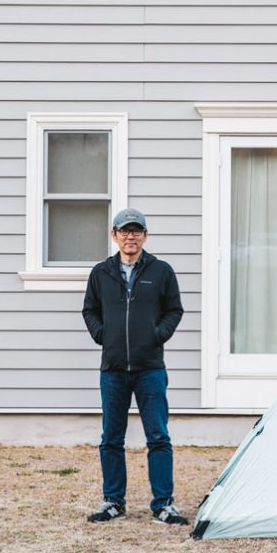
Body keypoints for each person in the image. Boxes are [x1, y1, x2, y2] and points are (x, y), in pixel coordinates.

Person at [82, 208, 187, 525]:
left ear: (145, 236)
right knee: (111, 438)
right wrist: (104, 336)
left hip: (150, 368)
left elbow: (174, 310)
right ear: (114, 236)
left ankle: (163, 505)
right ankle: (113, 502)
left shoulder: (161, 271)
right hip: (112, 369)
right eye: (124, 231)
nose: (131, 237)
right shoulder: (101, 273)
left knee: (158, 437)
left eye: (136, 231)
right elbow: (90, 311)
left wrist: (157, 335)